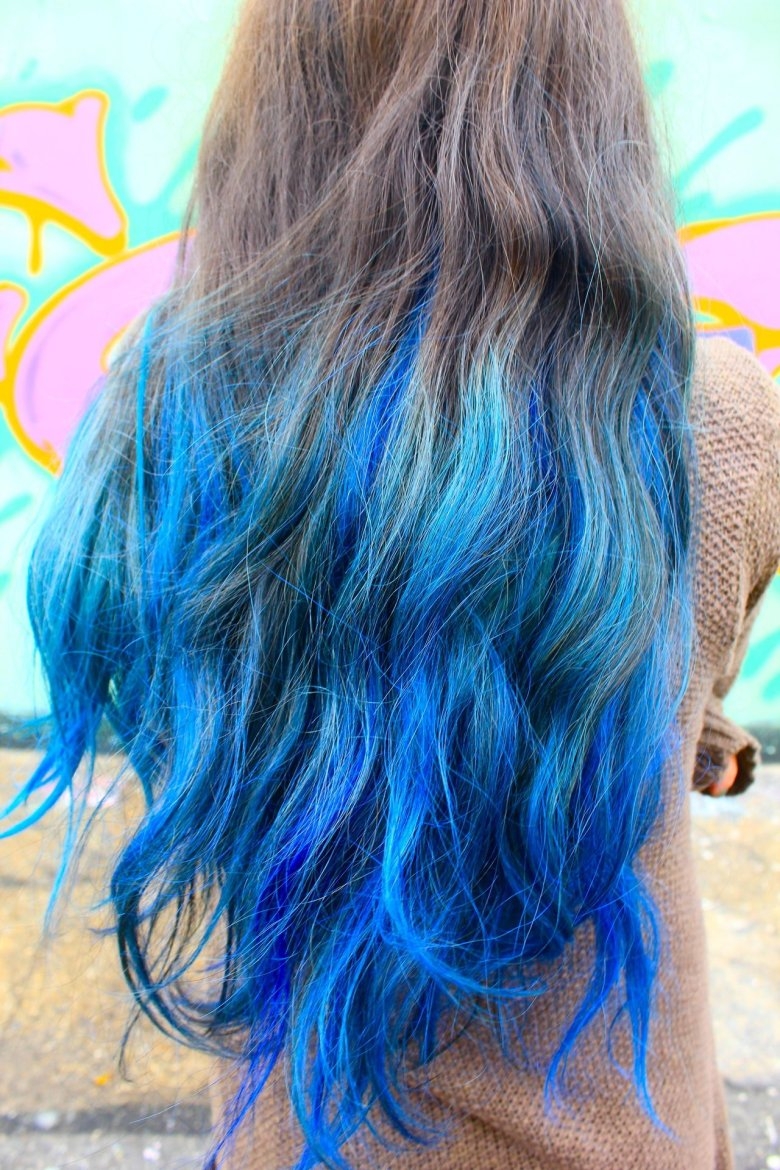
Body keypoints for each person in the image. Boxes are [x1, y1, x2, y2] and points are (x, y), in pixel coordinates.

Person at [7, 0, 780, 1167]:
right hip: (615, 1129)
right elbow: (679, 683)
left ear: (275, 109)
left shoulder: (170, 412)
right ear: (591, 110)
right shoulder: (714, 424)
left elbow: (179, 712)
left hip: (305, 1131)